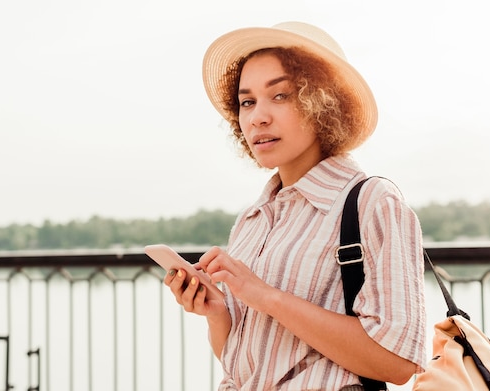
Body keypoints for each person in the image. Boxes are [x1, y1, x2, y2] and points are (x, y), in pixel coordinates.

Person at [164, 21, 426, 390]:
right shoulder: (253, 219)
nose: (258, 116)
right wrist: (218, 314)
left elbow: (399, 363)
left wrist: (266, 296)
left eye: (281, 95)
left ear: (324, 103)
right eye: (247, 101)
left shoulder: (372, 202)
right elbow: (246, 366)